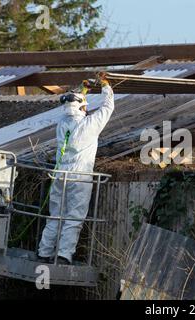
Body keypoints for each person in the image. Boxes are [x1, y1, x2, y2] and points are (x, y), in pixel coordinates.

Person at [38, 76, 114, 265]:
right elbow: (107, 108)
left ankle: (44, 252)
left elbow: (74, 103)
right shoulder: (89, 124)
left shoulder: (62, 123)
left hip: (59, 176)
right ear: (83, 108)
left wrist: (84, 89)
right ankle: (64, 255)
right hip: (80, 177)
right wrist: (106, 86)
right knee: (74, 217)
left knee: (55, 215)